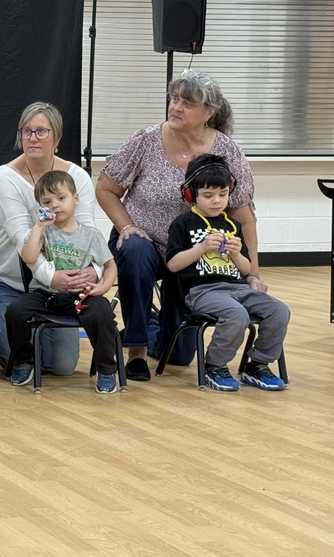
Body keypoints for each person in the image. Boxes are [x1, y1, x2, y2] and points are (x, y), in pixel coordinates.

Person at [96, 70, 261, 383]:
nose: (176, 106)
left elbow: (244, 215)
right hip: (143, 241)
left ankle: (148, 323)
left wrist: (252, 272)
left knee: (180, 355)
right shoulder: (144, 140)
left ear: (209, 113)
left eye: (187, 103)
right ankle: (137, 351)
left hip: (192, 252)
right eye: (174, 99)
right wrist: (127, 225)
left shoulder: (227, 150)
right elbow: (105, 189)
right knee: (135, 250)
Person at [0, 102, 99, 376]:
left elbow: (89, 233)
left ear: (56, 136)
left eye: (41, 131)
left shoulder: (77, 176)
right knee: (17, 361)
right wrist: (53, 276)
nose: (33, 137)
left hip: (52, 287)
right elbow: (23, 241)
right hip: (5, 280)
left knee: (61, 366)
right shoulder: (5, 178)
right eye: (27, 131)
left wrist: (92, 270)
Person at [165, 155, 288, 392]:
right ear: (192, 195)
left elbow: (245, 269)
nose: (216, 201)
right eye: (208, 195)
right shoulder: (183, 224)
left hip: (238, 288)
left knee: (279, 310)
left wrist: (236, 254)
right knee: (236, 314)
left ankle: (258, 364)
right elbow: (172, 265)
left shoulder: (232, 225)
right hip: (202, 291)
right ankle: (215, 365)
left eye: (222, 194)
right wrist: (201, 248)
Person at [5, 171, 121, 393]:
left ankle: (106, 368)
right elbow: (29, 257)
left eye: (61, 198)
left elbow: (110, 265)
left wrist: (103, 287)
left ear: (75, 199)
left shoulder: (91, 235)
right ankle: (23, 359)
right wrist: (38, 227)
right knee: (15, 311)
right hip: (45, 294)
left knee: (102, 313)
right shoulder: (42, 232)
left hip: (79, 296)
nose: (55, 205)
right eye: (47, 202)